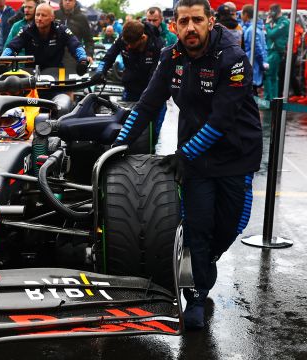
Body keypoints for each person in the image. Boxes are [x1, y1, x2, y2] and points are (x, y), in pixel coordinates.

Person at [111, 0, 262, 330]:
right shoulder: (171, 56)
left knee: (229, 226)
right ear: (174, 26)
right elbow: (147, 104)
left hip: (236, 154)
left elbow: (222, 119)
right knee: (197, 225)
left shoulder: (233, 58)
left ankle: (208, 260)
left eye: (197, 20)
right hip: (195, 156)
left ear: (210, 21)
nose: (190, 27)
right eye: (184, 21)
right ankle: (196, 293)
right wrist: (118, 144)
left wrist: (184, 153)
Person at [2, 3, 89, 74]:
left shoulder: (61, 30)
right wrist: (3, 60)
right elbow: (12, 46)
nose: (39, 18)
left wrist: (82, 60)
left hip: (56, 76)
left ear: (52, 17)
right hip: (31, 77)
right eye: (37, 15)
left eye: (43, 15)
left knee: (66, 95)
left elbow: (75, 45)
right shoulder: (27, 30)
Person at [94, 20, 163, 101]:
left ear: (143, 38)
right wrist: (100, 71)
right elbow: (108, 57)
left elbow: (156, 75)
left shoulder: (157, 45)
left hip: (151, 90)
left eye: (131, 43)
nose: (128, 46)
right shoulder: (123, 39)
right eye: (126, 43)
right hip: (130, 88)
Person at [55, 0, 95, 68]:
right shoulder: (54, 15)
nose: (67, 2)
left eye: (70, 0)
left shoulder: (82, 18)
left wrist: (88, 54)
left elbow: (89, 40)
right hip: (54, 60)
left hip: (74, 61)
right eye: (65, 0)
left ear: (75, 2)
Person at [264, 3, 289, 101]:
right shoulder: (275, 21)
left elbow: (272, 34)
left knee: (268, 74)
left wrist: (267, 24)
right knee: (273, 76)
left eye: (270, 11)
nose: (269, 13)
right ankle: (273, 99)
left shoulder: (284, 22)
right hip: (271, 51)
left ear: (275, 11)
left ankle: (268, 99)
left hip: (276, 52)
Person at [241, 4, 267, 95]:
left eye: (242, 13)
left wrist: (262, 65)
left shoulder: (252, 29)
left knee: (251, 94)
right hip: (255, 66)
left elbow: (257, 49)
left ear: (246, 15)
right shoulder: (257, 28)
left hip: (252, 66)